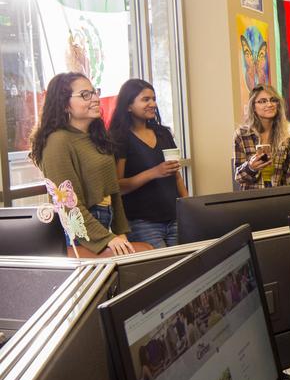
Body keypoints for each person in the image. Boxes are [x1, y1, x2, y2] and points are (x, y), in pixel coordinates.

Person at [29, 72, 135, 256]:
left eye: (95, 92)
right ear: (64, 105)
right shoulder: (57, 141)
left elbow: (113, 191)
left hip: (104, 222)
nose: (95, 99)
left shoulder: (96, 136)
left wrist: (121, 231)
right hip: (80, 228)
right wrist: (107, 238)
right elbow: (68, 204)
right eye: (86, 95)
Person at [109, 79, 187, 248]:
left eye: (154, 98)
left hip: (175, 217)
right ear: (128, 106)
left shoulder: (163, 133)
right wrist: (154, 172)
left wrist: (188, 206)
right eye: (146, 99)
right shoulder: (120, 138)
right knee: (161, 270)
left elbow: (177, 177)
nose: (153, 104)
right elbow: (118, 186)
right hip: (142, 223)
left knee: (183, 269)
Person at [233, 84, 290, 190]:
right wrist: (250, 168)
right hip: (252, 200)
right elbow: (238, 177)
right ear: (253, 107)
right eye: (263, 101)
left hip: (281, 200)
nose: (270, 104)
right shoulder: (242, 134)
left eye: (273, 100)